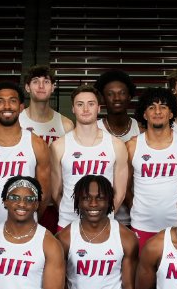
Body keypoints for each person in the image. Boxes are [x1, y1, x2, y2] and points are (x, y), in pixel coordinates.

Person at [0, 82, 52, 237]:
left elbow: (45, 194)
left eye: (12, 101)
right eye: (0, 101)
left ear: (21, 107)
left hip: (26, 231)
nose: (7, 106)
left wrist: (29, 217)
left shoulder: (37, 144)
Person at [127, 87, 177, 244]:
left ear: (171, 113)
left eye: (163, 107)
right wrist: (137, 207)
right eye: (151, 107)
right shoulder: (132, 146)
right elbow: (124, 189)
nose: (157, 111)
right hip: (141, 225)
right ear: (144, 114)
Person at [53, 84, 129, 231]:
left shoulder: (116, 145)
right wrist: (68, 212)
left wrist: (105, 214)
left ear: (99, 108)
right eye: (80, 104)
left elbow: (120, 192)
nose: (86, 109)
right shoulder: (59, 146)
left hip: (104, 223)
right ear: (73, 109)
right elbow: (55, 192)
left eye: (91, 104)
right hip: (68, 223)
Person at [19, 64, 75, 146]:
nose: (41, 86)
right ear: (27, 87)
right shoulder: (16, 122)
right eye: (35, 81)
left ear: (52, 87)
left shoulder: (66, 125)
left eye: (46, 82)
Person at [96, 69, 140, 143]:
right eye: (110, 94)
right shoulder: (94, 129)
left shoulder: (140, 129)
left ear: (129, 96)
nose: (117, 98)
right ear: (103, 98)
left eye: (122, 93)